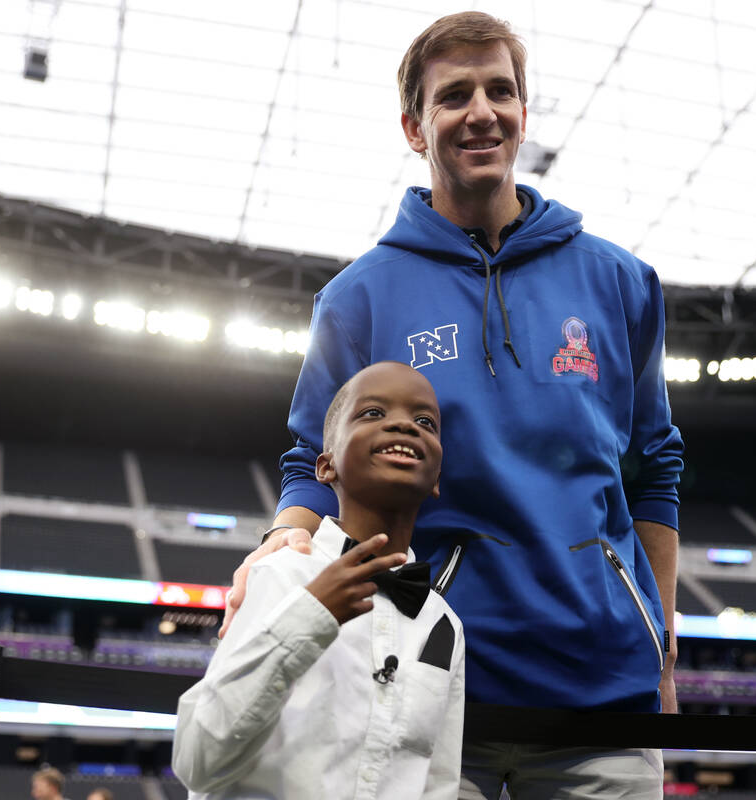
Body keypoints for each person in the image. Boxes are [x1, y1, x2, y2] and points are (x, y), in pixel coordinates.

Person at [224, 10, 685, 799]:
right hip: (427, 680)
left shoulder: (619, 282)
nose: (482, 111)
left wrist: (663, 649)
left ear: (523, 115)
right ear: (415, 126)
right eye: (455, 95)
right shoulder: (358, 297)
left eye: (500, 91)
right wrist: (280, 542)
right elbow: (312, 457)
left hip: (603, 691)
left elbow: (655, 468)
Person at [174, 361, 466, 799]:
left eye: (424, 421)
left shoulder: (444, 625)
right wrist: (311, 615)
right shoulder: (280, 573)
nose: (404, 425)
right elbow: (197, 762)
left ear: (437, 479)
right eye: (373, 413)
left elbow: (438, 785)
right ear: (325, 467)